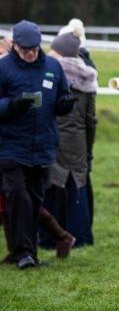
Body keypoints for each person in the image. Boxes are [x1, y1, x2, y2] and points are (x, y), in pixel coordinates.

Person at [0, 20, 76, 269]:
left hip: (43, 146)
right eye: (25, 49)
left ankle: (28, 252)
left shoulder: (53, 66)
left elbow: (61, 97)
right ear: (15, 46)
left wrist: (66, 103)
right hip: (11, 146)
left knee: (33, 200)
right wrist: (11, 105)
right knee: (17, 197)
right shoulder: (3, 68)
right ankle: (22, 252)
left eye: (34, 48)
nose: (30, 53)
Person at [41, 31, 98, 247]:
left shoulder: (50, 72)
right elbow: (91, 120)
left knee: (51, 188)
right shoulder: (88, 77)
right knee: (78, 187)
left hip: (52, 137)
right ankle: (82, 237)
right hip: (78, 141)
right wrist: (88, 147)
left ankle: (47, 238)